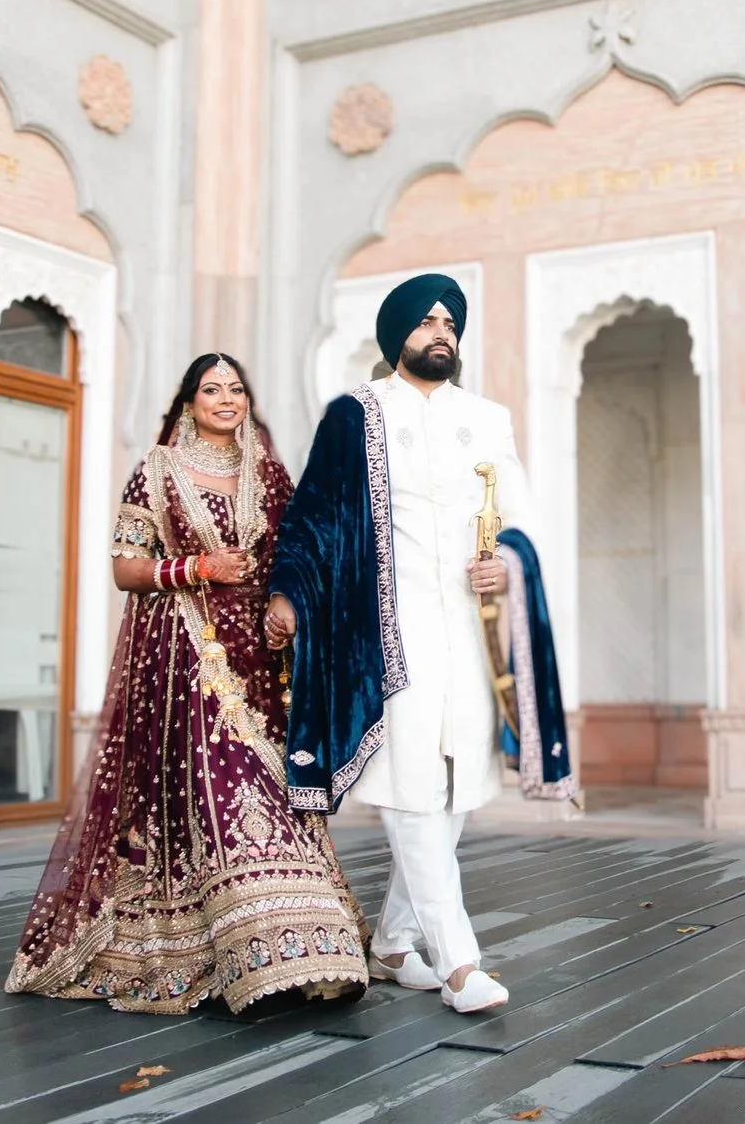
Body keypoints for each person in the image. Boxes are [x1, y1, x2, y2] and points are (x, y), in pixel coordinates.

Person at [5, 354, 369, 1013]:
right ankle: (261, 950)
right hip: (188, 657)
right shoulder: (157, 469)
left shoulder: (269, 471)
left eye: (236, 388)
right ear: (188, 402)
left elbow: (296, 553)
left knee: (277, 794)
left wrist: (288, 605)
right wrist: (197, 567)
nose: (226, 399)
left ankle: (311, 945)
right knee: (223, 791)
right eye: (211, 389)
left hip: (262, 662)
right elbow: (126, 569)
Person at [265, 274, 577, 1016]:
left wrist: (508, 561)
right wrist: (288, 589)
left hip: (469, 631)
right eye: (427, 320)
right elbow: (312, 515)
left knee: (456, 783)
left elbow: (523, 521)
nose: (441, 332)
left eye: (450, 322)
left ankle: (392, 942)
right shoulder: (356, 414)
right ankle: (460, 962)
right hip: (384, 633)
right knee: (411, 786)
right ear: (396, 333)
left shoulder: (488, 419)